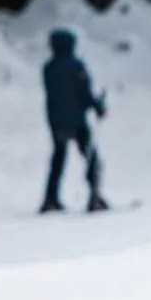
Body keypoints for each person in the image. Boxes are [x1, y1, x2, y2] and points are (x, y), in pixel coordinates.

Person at [40, 28, 108, 212]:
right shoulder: (76, 66)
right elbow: (83, 93)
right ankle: (94, 196)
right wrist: (98, 105)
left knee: (58, 159)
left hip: (56, 122)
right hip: (77, 121)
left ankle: (50, 198)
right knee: (91, 158)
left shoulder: (48, 68)